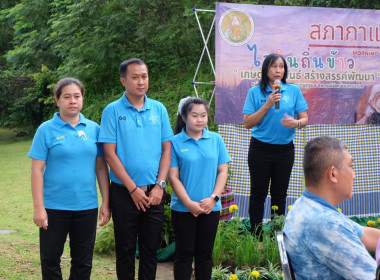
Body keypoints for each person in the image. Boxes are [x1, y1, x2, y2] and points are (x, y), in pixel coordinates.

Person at [28, 77, 111, 280]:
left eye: (77, 96)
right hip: (54, 207)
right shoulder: (45, 130)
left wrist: (106, 202)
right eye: (67, 97)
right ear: (57, 100)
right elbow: (37, 170)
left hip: (86, 206)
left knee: (83, 261)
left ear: (82, 99)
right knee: (50, 259)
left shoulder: (94, 129)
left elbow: (101, 168)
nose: (72, 101)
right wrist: (39, 207)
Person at [98, 58, 173, 280]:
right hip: (123, 193)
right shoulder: (112, 111)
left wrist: (160, 185)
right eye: (135, 77)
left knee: (151, 252)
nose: (141, 82)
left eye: (144, 76)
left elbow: (167, 150)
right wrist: (132, 189)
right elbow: (109, 154)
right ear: (123, 80)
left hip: (154, 193)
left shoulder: (158, 109)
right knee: (125, 251)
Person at [283, 136, 380, 280]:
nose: (353, 175)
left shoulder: (305, 205)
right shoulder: (325, 224)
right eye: (351, 166)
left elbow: (365, 235)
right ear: (333, 174)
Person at [242, 53, 309, 238]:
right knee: (258, 194)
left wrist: (295, 123)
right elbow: (248, 123)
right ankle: (256, 237)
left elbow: (304, 119)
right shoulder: (255, 92)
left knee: (279, 195)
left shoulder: (293, 90)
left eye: (281, 66)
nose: (278, 70)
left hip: (285, 150)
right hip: (260, 150)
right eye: (274, 66)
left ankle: (276, 236)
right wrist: (267, 105)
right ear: (266, 69)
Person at [168, 97, 231, 280]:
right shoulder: (174, 142)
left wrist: (213, 198)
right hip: (182, 208)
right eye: (194, 115)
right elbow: (173, 177)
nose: (199, 119)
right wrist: (189, 204)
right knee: (184, 254)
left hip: (210, 208)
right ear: (184, 117)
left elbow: (222, 172)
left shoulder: (216, 140)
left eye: (203, 115)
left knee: (205, 255)